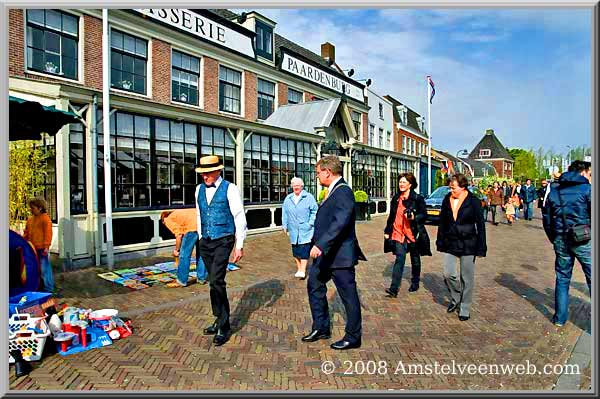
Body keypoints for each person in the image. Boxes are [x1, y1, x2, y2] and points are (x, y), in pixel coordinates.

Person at [303, 156, 366, 350]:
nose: (317, 177)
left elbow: (341, 221)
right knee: (314, 284)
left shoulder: (344, 191)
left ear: (328, 172)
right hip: (327, 255)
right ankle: (321, 327)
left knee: (348, 296)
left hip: (340, 256)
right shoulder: (332, 190)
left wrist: (320, 244)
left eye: (318, 173)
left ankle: (353, 337)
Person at [195, 155, 247, 346]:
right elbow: (199, 214)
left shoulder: (230, 188)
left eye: (208, 173)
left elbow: (239, 216)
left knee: (217, 280)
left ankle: (224, 326)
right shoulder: (198, 189)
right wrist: (201, 237)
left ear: (218, 171)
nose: (205, 177)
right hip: (206, 241)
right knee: (212, 283)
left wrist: (239, 244)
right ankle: (218, 319)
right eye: (202, 173)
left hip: (224, 239)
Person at [543, 160, 591, 327]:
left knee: (562, 278)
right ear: (583, 172)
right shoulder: (587, 189)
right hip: (584, 239)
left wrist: (553, 237)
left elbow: (547, 219)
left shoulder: (554, 191)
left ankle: (560, 319)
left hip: (560, 239)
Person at [436, 174, 487, 321]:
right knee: (448, 273)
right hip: (451, 242)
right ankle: (456, 296)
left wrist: (481, 247)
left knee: (467, 277)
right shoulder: (447, 199)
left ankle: (464, 307)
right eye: (450, 187)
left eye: (453, 187)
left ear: (463, 187)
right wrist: (440, 241)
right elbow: (443, 222)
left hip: (469, 243)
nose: (451, 190)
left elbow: (481, 225)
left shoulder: (473, 201)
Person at [383, 172, 431, 296]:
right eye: (400, 182)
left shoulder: (417, 198)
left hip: (412, 233)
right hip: (398, 232)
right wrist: (387, 231)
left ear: (410, 184)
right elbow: (392, 216)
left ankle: (415, 281)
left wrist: (415, 217)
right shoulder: (396, 198)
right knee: (400, 258)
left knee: (415, 259)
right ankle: (394, 289)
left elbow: (424, 215)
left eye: (404, 182)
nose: (401, 184)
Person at [160, 209, 208, 288]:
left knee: (184, 255)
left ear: (163, 220)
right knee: (202, 254)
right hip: (203, 227)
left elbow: (179, 235)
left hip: (192, 229)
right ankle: (201, 278)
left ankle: (181, 281)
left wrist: (176, 250)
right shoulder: (180, 212)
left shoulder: (167, 219)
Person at [282, 177, 318, 279]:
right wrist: (285, 225)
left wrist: (310, 223)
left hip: (305, 229)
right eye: (294, 185)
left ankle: (302, 270)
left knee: (304, 250)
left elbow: (315, 211)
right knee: (296, 251)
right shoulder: (288, 199)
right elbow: (284, 213)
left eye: (298, 185)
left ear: (302, 186)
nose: (296, 187)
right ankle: (299, 269)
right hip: (293, 229)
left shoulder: (309, 197)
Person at [23, 198, 54, 293]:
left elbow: (48, 233)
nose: (31, 210)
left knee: (44, 269)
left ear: (40, 208)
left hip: (42, 249)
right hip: (32, 248)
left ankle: (48, 289)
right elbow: (26, 233)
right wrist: (23, 241)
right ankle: (39, 286)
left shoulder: (45, 219)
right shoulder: (30, 220)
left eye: (33, 208)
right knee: (35, 269)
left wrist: (46, 246)